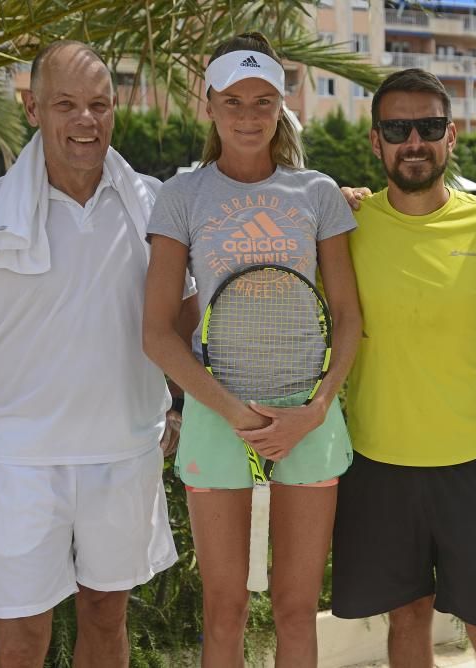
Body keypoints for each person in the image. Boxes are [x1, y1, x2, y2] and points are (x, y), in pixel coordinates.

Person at [0, 41, 194, 666]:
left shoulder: (154, 205)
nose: (86, 121)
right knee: (20, 637)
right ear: (32, 108)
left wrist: (179, 406)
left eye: (99, 105)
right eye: (67, 105)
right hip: (24, 464)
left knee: (107, 621)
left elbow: (180, 323)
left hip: (124, 453)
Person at [141, 32, 361, 668]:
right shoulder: (182, 196)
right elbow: (156, 332)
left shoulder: (317, 194)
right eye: (232, 101)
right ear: (208, 104)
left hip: (308, 417)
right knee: (225, 610)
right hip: (218, 416)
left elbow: (347, 316)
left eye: (262, 101)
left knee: (296, 609)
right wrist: (232, 411)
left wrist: (317, 408)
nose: (247, 115)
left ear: (281, 107)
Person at [331, 68, 476, 667]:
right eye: (396, 127)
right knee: (407, 621)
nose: (413, 141)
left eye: (428, 126)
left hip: (470, 464)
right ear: (375, 141)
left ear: (452, 135)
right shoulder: (346, 225)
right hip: (378, 464)